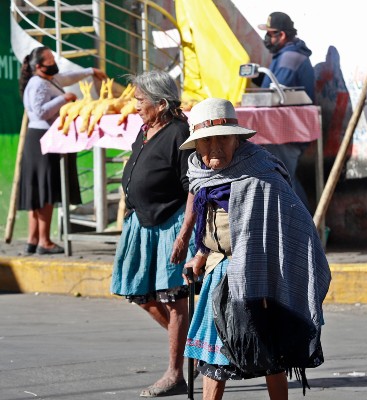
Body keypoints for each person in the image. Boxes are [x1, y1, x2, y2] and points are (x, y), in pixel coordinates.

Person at [180, 98, 330, 400]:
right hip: (217, 275)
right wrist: (201, 253)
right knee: (214, 357)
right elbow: (209, 223)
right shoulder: (201, 175)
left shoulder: (261, 175)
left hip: (260, 278)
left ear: (237, 138)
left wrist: (268, 276)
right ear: (195, 146)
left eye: (222, 139)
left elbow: (294, 227)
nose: (214, 149)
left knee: (270, 354)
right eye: (206, 141)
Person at [110, 70, 196, 397]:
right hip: (141, 223)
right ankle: (193, 349)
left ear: (160, 104)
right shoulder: (146, 129)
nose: (135, 105)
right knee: (141, 294)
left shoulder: (179, 133)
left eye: (140, 100)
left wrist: (185, 232)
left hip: (171, 224)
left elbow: (193, 187)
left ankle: (176, 373)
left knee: (174, 301)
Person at [18, 46, 106, 255]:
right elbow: (39, 112)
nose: (54, 63)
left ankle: (33, 239)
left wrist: (89, 71)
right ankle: (45, 241)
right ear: (38, 67)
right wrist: (64, 99)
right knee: (45, 192)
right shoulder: (38, 84)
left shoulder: (48, 79)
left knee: (38, 191)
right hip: (43, 138)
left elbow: (66, 77)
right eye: (49, 61)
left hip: (40, 139)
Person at [258, 11, 315, 209]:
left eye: (270, 33)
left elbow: (273, 97)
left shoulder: (289, 58)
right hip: (288, 130)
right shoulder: (286, 55)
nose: (267, 38)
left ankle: (305, 227)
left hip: (287, 132)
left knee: (284, 178)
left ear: (282, 35)